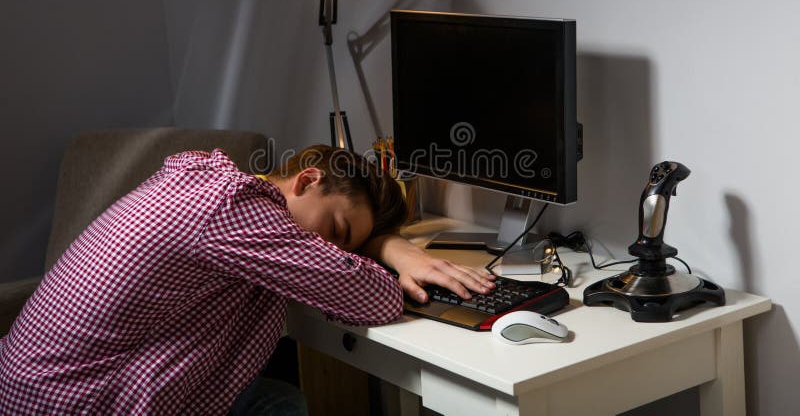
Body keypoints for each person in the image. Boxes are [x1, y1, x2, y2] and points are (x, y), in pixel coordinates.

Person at [0, 144, 494, 414]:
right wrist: (392, 252)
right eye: (337, 230)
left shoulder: (205, 176)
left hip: (31, 381)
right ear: (307, 180)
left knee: (282, 400)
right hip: (71, 401)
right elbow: (374, 298)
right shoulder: (234, 212)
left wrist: (375, 241)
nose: (329, 250)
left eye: (347, 244)